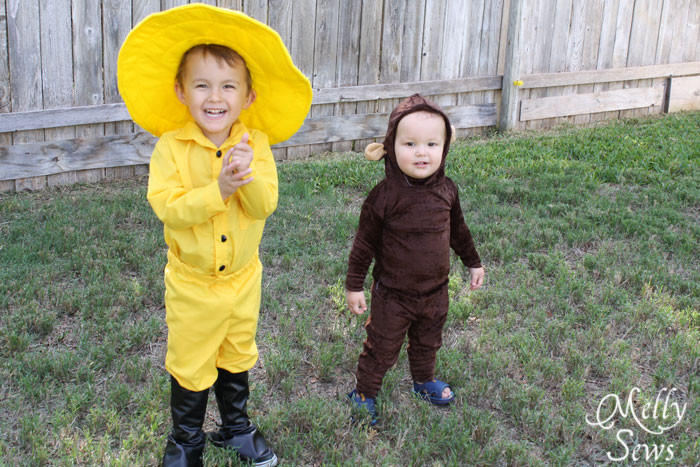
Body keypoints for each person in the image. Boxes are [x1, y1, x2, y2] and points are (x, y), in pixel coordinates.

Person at [117, 4, 311, 466]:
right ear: (182, 91)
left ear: (247, 97)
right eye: (202, 84)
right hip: (193, 284)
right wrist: (218, 189)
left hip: (243, 279)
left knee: (237, 352)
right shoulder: (171, 147)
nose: (214, 96)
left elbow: (266, 205)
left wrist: (246, 180)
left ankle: (236, 428)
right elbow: (168, 208)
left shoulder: (255, 143)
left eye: (228, 85)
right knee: (190, 360)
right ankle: (186, 441)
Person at [345, 94, 485, 426]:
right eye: (410, 143)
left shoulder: (447, 191)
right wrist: (354, 286)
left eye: (431, 144)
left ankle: (423, 381)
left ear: (444, 148)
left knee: (428, 341)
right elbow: (363, 245)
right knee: (382, 346)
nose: (421, 152)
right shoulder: (383, 197)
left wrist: (473, 262)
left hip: (436, 292)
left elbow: (458, 232)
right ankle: (364, 392)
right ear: (391, 147)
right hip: (393, 295)